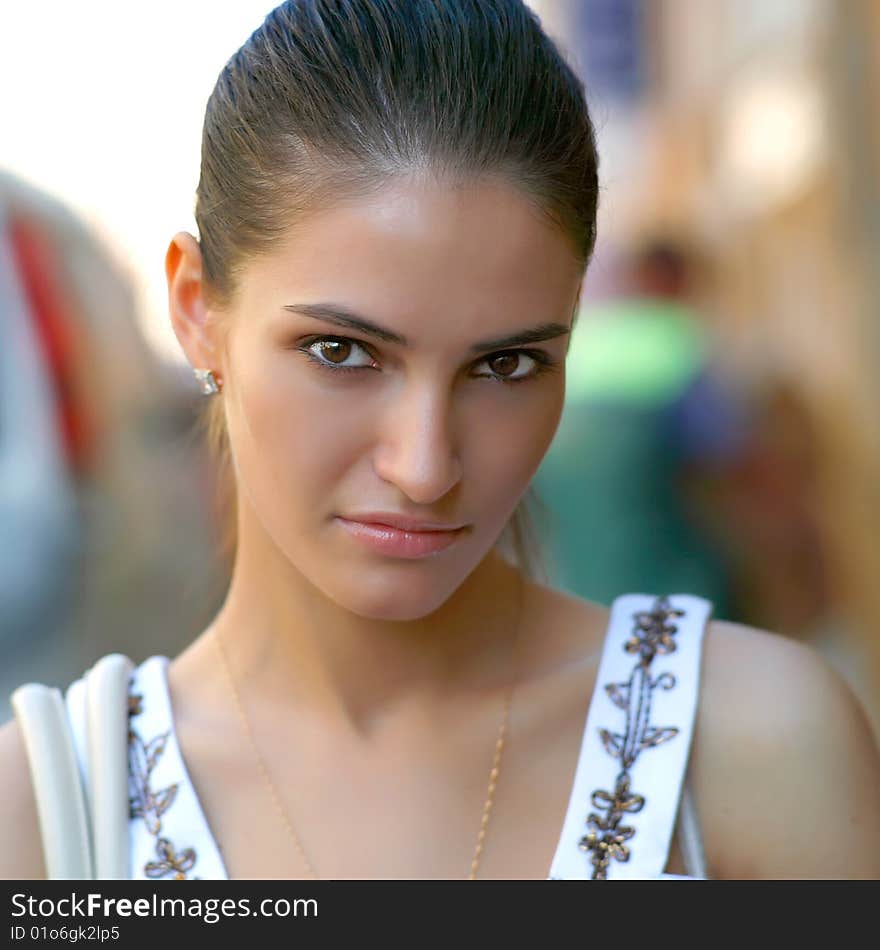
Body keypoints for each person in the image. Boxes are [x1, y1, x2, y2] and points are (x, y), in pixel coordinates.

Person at [2, 0, 879, 881]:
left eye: (506, 365)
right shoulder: (51, 815)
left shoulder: (752, 748)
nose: (425, 469)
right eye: (341, 352)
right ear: (197, 310)